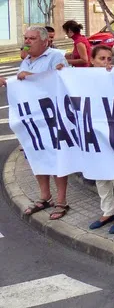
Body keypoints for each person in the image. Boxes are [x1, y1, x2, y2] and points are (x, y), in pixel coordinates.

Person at [0, 27, 68, 220]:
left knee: (56, 158)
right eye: (26, 38)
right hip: (33, 121)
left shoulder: (55, 57)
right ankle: (45, 196)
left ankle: (62, 200)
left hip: (53, 119)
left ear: (45, 41)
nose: (27, 41)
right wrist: (8, 82)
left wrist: (28, 77)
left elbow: (61, 79)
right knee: (36, 156)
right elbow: (22, 86)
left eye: (32, 38)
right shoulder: (26, 60)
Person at [87, 45, 114, 234]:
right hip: (94, 131)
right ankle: (108, 211)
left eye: (109, 59)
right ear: (92, 61)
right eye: (101, 59)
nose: (106, 62)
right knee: (100, 174)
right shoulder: (83, 79)